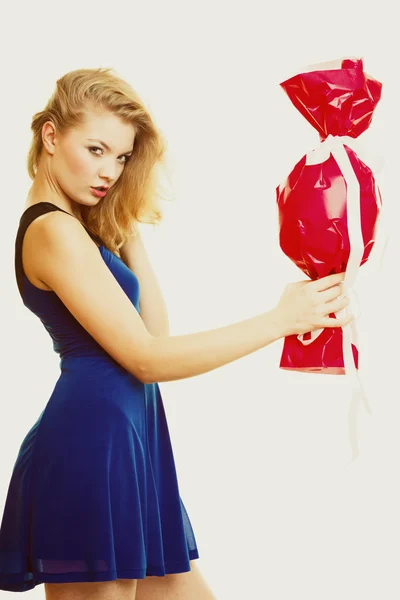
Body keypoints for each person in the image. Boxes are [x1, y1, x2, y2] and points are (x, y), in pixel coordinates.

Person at [0, 67, 352, 600]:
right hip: (94, 445)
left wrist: (125, 228)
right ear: (51, 136)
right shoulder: (52, 229)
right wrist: (280, 320)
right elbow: (147, 360)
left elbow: (154, 334)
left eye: (121, 158)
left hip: (131, 438)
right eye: (95, 150)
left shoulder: (81, 227)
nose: (110, 171)